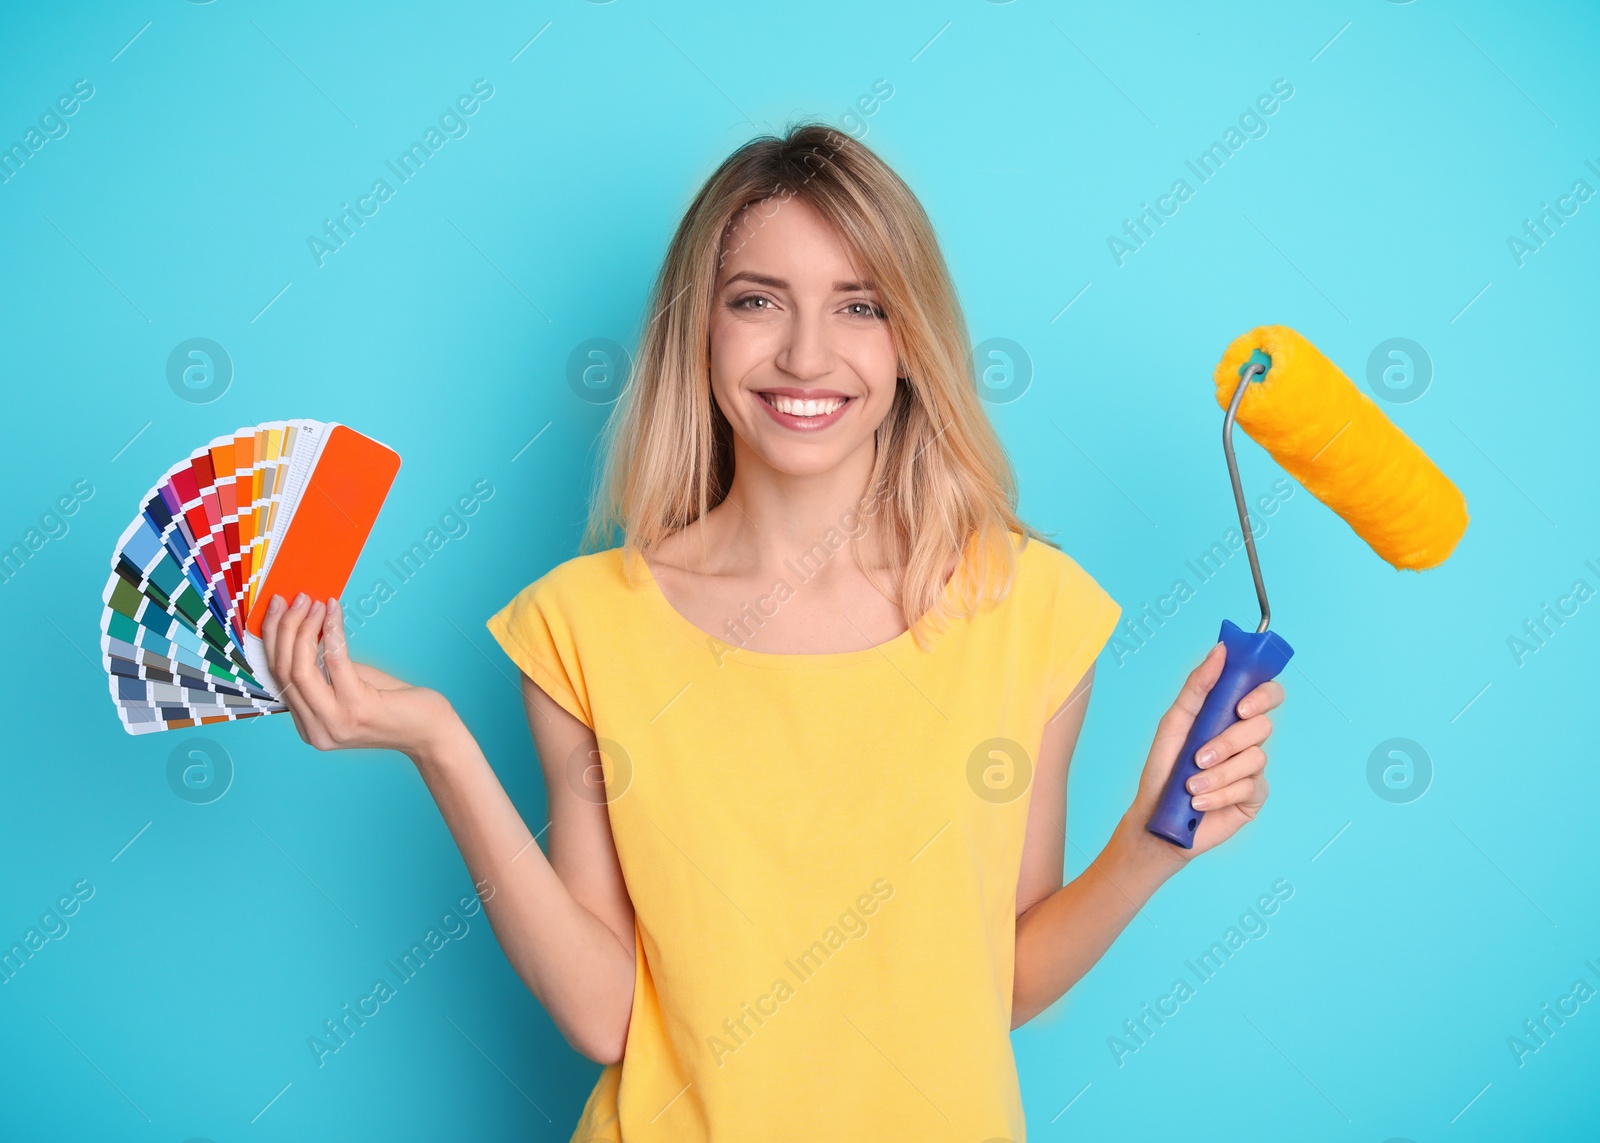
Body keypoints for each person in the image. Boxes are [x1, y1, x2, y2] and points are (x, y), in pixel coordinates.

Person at [261, 122, 1283, 1142]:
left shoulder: (1028, 610)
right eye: (756, 301)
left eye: (859, 306)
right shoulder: (581, 628)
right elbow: (604, 1014)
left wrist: (1150, 844)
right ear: (698, 331)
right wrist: (439, 742)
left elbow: (998, 985)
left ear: (910, 341)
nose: (805, 354)